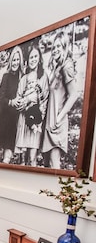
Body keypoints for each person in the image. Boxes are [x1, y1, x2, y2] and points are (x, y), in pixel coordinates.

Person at [41, 31, 79, 169]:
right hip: (49, 121)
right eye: (54, 47)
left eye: (59, 47)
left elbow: (74, 94)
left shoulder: (66, 66)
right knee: (47, 164)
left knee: (54, 163)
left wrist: (59, 117)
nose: (55, 50)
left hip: (57, 122)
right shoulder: (58, 66)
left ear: (65, 47)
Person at [14, 43, 49, 167]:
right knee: (22, 159)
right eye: (31, 57)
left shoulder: (43, 77)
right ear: (27, 60)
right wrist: (26, 100)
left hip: (36, 119)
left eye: (35, 57)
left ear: (39, 59)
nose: (33, 60)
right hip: (24, 120)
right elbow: (18, 101)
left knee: (32, 157)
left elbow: (45, 99)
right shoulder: (23, 79)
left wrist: (40, 119)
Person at [0, 46, 24, 164]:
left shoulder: (22, 77)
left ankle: (20, 158)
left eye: (18, 60)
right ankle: (6, 159)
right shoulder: (6, 77)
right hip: (7, 114)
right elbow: (0, 98)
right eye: (14, 60)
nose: (15, 63)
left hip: (20, 113)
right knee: (8, 141)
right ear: (10, 61)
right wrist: (11, 102)